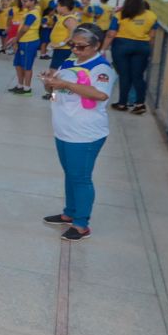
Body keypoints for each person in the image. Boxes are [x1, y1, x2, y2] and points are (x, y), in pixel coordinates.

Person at [41, 25, 115, 240]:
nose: (75, 50)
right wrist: (50, 83)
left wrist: (64, 83)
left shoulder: (101, 69)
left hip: (85, 134)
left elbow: (100, 95)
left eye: (81, 46)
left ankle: (82, 224)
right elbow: (54, 90)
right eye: (72, 45)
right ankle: (69, 213)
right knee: (70, 174)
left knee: (80, 177)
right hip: (64, 130)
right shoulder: (69, 62)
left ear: (96, 46)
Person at [106, 0, 158, 115]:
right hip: (142, 46)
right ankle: (140, 104)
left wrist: (103, 48)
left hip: (121, 46)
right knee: (138, 76)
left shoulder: (120, 14)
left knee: (124, 75)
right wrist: (147, 49)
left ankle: (122, 103)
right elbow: (152, 36)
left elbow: (111, 33)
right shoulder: (151, 16)